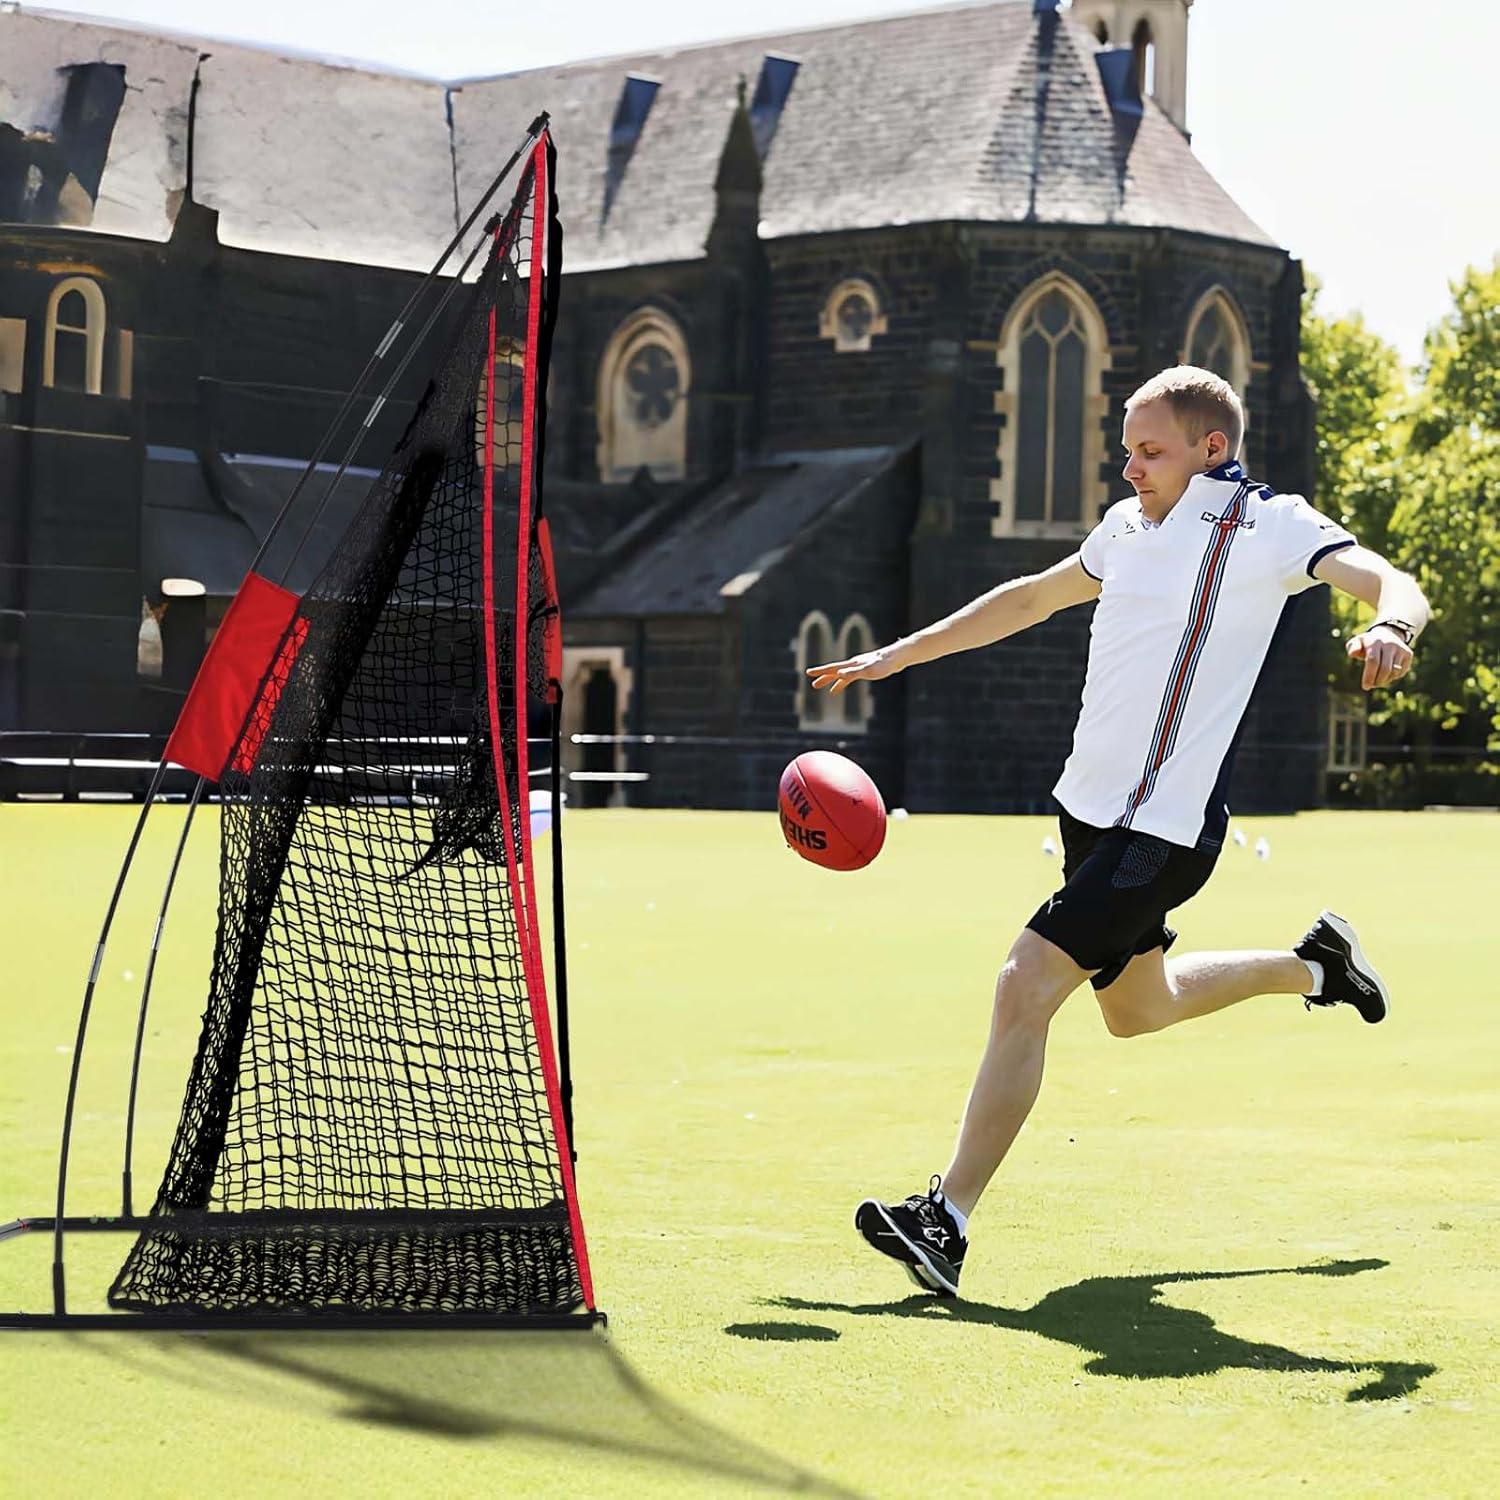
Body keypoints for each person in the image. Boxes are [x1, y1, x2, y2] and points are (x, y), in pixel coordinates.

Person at [805, 366, 1431, 1298]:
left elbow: (1391, 580)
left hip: (1164, 830)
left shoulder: (1268, 523)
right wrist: (899, 654)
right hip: (1089, 815)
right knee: (1140, 1009)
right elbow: (1029, 597)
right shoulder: (1125, 528)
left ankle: (947, 1218)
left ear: (1210, 449)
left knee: (1024, 984)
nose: (1129, 466)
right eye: (1127, 449)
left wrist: (1394, 628)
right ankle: (1317, 966)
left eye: (1149, 450)